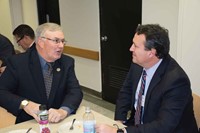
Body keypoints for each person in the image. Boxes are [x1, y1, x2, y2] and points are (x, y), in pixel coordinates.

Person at [96, 24, 198, 133]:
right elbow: (126, 92)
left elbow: (163, 126)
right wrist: (119, 121)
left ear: (151, 53)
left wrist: (120, 132)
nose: (130, 48)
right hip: (138, 126)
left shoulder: (176, 81)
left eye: (135, 46)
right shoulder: (138, 64)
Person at [0, 22, 83, 124]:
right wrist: (25, 104)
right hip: (30, 122)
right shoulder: (18, 63)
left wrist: (63, 111)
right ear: (40, 42)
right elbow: (2, 92)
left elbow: (75, 91)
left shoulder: (66, 62)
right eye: (56, 41)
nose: (61, 46)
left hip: (58, 122)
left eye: (62, 41)